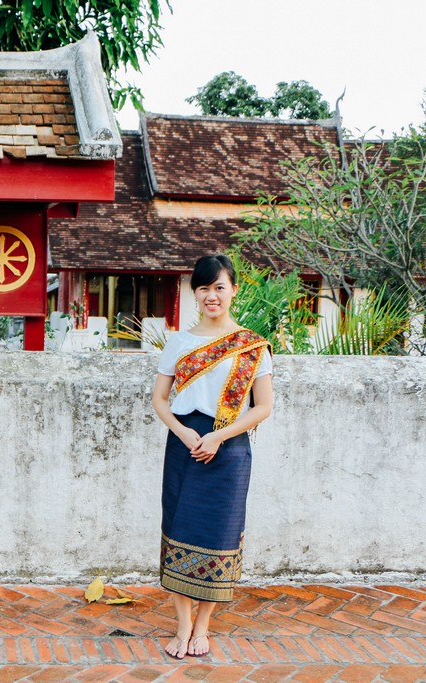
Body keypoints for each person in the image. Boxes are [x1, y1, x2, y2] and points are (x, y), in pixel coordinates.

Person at [151, 254, 273, 659]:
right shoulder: (180, 342)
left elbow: (262, 407)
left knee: (219, 536)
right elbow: (160, 399)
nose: (211, 295)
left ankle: (203, 625)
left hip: (230, 449)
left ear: (233, 290)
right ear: (195, 293)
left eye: (219, 287)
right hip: (185, 446)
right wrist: (186, 433)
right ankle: (183, 625)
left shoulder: (251, 345)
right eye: (203, 288)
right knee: (180, 530)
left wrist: (218, 436)